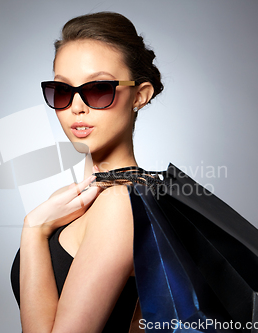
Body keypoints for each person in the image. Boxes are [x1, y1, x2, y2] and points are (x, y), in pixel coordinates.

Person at [11, 11, 164, 333]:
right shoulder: (73, 199)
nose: (77, 107)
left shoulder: (121, 204)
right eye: (63, 91)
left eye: (99, 89)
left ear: (140, 95)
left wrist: (33, 230)